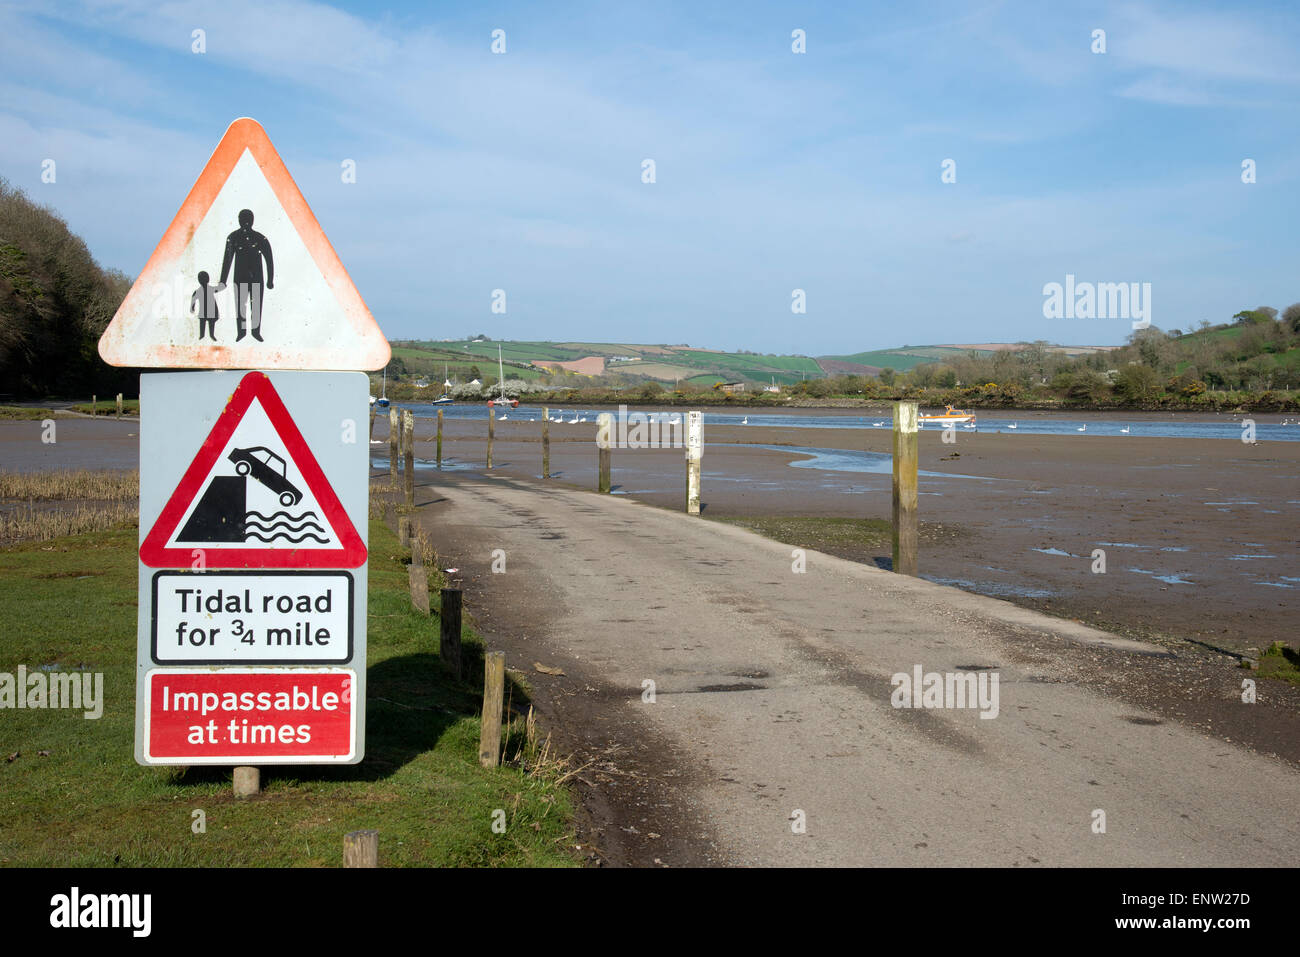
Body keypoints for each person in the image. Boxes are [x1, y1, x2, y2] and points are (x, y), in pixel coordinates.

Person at [218, 208, 274, 342]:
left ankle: (255, 332)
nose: (246, 222)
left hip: (256, 278)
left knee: (256, 306)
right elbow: (227, 260)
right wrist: (223, 280)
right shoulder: (233, 237)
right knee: (240, 306)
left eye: (248, 219)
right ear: (239, 221)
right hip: (240, 277)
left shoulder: (260, 238)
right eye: (243, 219)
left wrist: (270, 280)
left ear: (252, 221)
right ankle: (241, 332)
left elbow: (269, 260)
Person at [190, 270, 221, 340]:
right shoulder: (200, 290)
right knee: (205, 323)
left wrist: (192, 307)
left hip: (210, 310)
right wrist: (192, 306)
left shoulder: (206, 289)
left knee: (209, 322)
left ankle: (209, 335)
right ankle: (204, 335)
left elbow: (193, 298)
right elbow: (193, 298)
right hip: (206, 310)